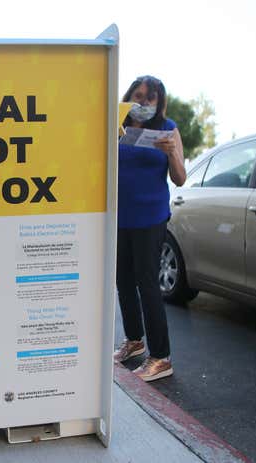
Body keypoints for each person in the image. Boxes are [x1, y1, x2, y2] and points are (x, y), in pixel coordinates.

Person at [113, 75, 186, 382]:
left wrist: (170, 152)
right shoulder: (115, 125)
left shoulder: (168, 129)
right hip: (118, 217)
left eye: (149, 97)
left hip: (150, 217)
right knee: (123, 282)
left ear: (159, 102)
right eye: (138, 95)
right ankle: (134, 341)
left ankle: (161, 357)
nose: (142, 102)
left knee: (147, 285)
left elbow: (180, 178)